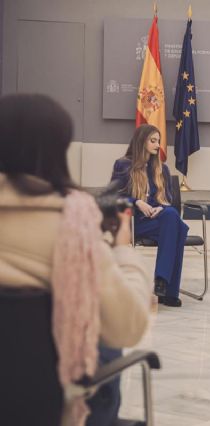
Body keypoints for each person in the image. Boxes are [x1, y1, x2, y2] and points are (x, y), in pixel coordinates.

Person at [0, 94, 151, 425]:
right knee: (106, 344)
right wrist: (122, 249)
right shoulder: (73, 230)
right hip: (46, 408)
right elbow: (129, 326)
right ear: (58, 150)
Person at [110, 124, 189, 307]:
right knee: (178, 228)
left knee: (170, 216)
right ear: (141, 142)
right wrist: (136, 202)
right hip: (135, 220)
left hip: (158, 221)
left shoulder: (163, 169)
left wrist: (161, 207)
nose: (157, 145)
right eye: (153, 141)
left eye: (158, 141)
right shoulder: (123, 165)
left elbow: (167, 199)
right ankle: (167, 290)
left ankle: (162, 283)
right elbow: (114, 197)